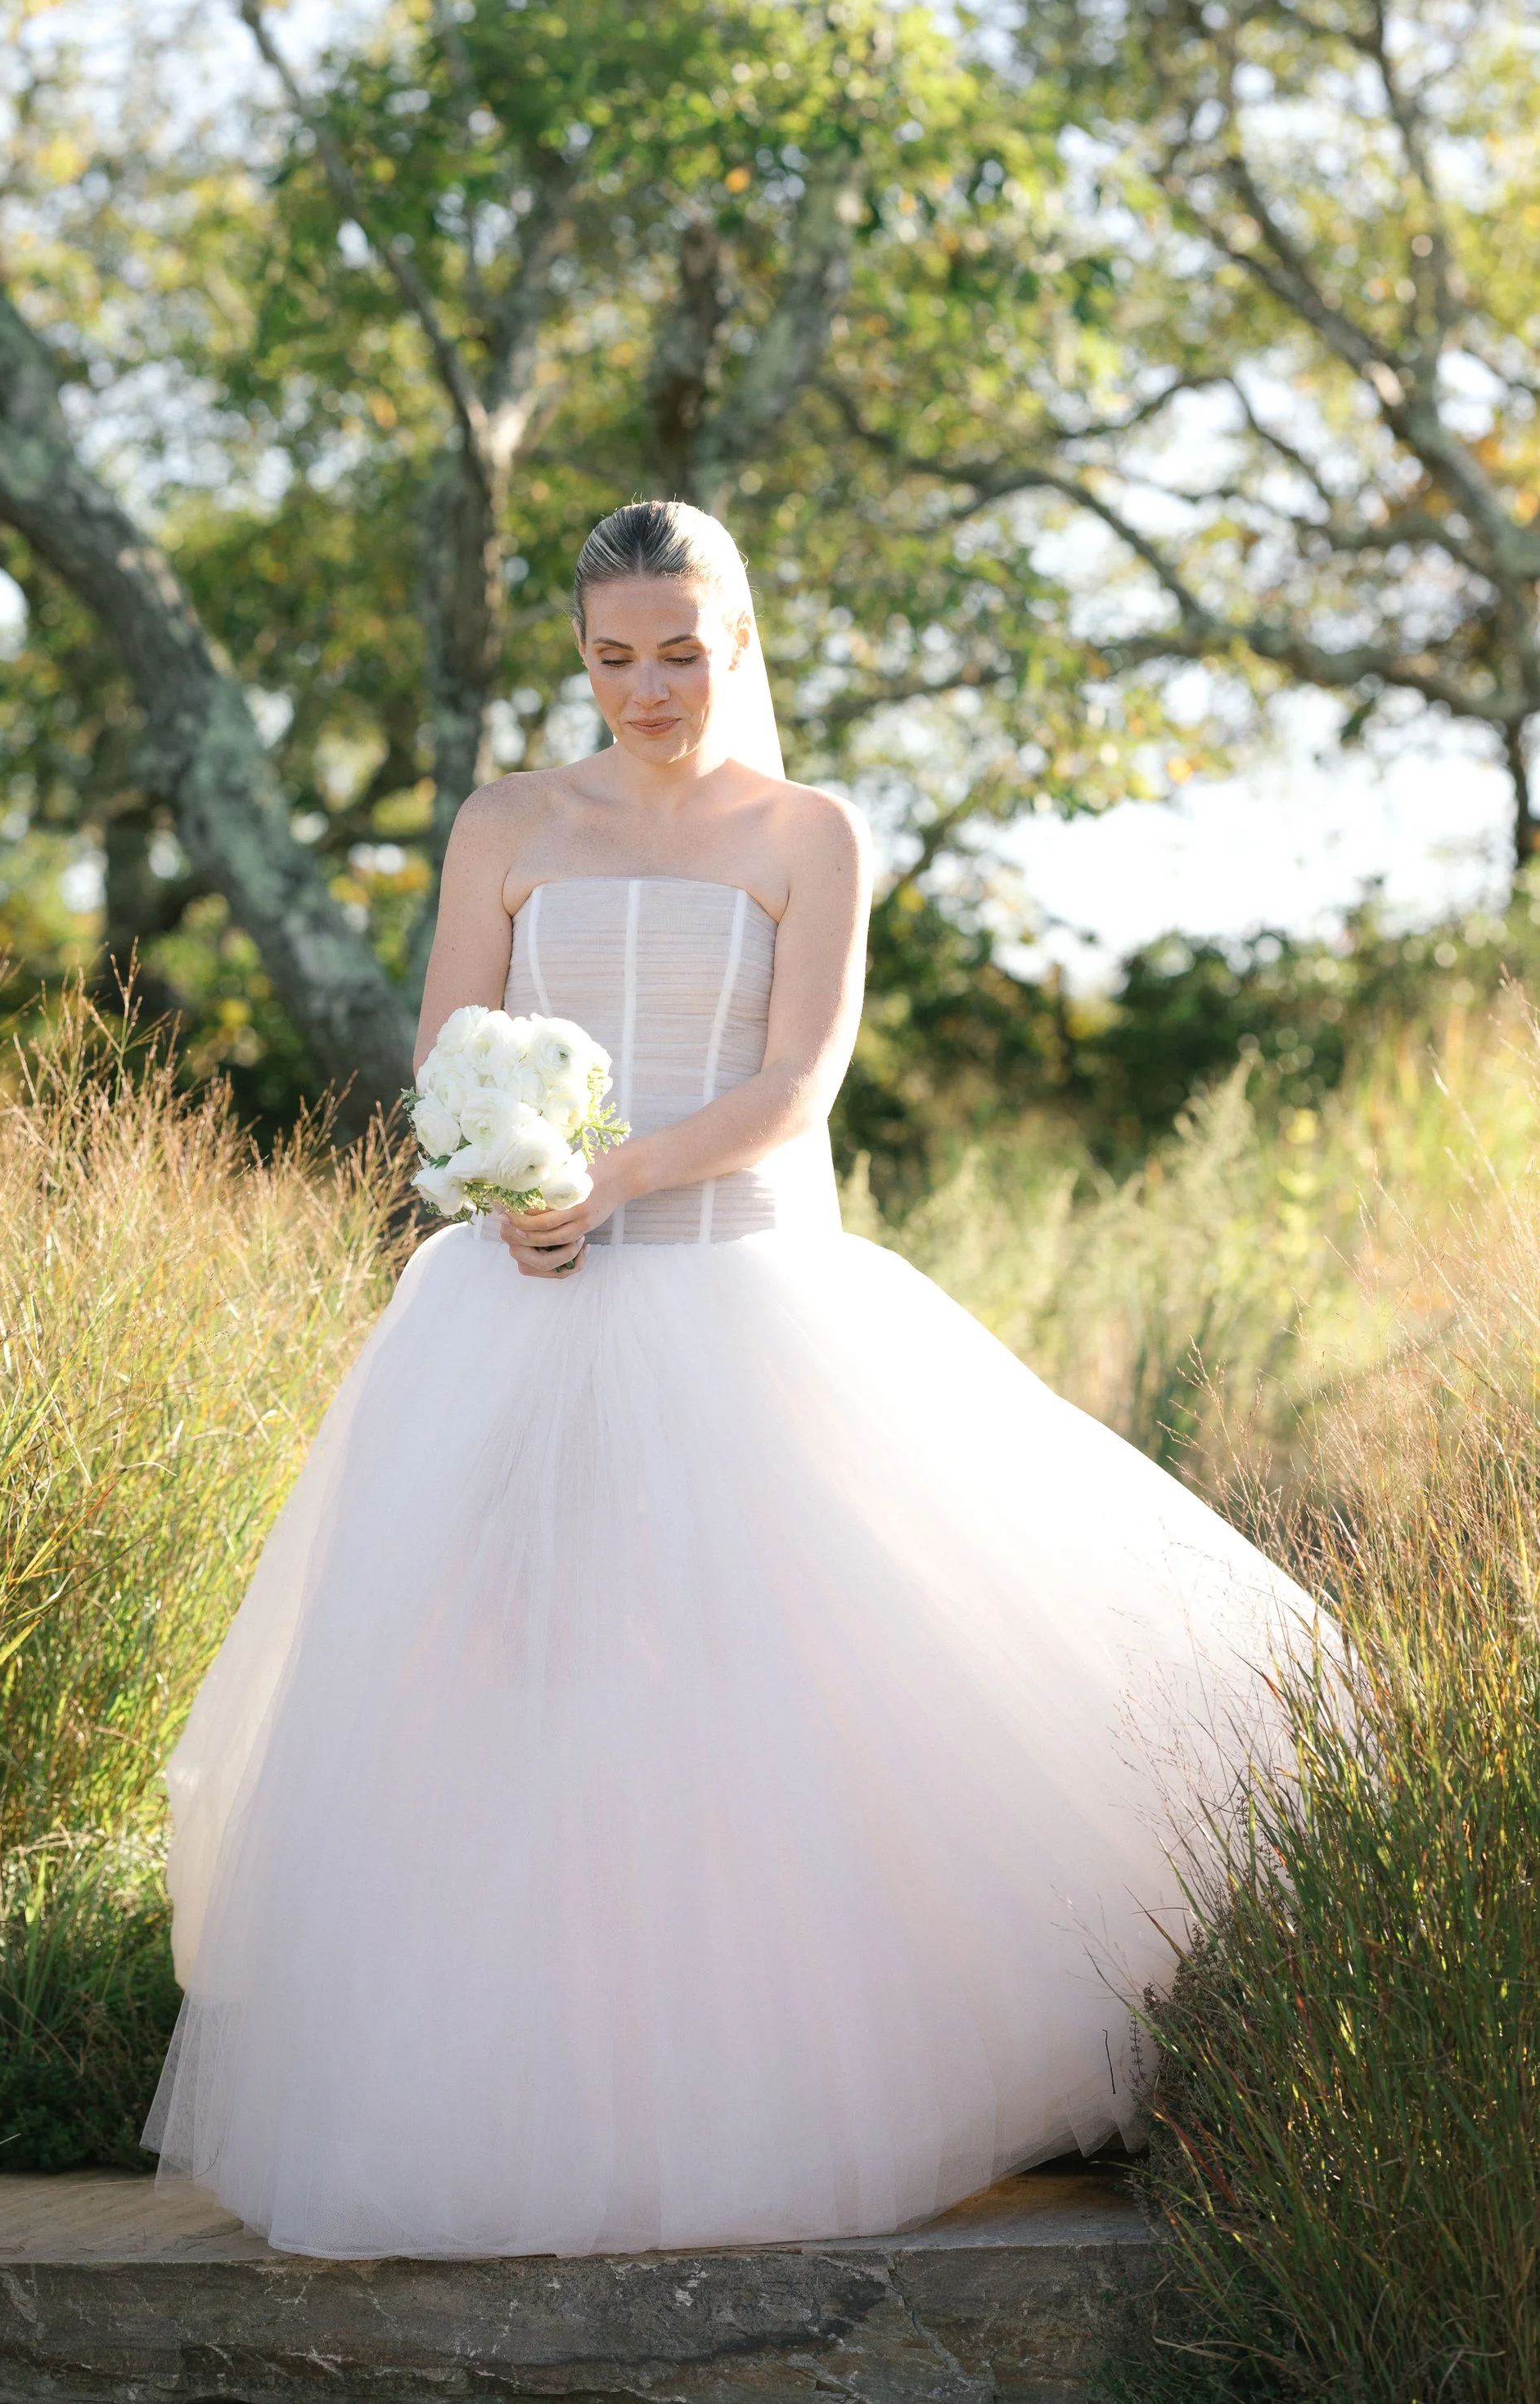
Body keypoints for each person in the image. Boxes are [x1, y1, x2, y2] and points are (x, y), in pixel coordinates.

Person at [142, 497, 1316, 2259]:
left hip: (730, 1294)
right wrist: (501, 1184)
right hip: (510, 1314)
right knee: (497, 1685)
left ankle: (757, 2101)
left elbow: (794, 1085)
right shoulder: (505, 823)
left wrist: (606, 1178)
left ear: (737, 642)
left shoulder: (806, 833)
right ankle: (503, 2098)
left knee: (747, 1694)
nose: (645, 687)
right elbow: (448, 1046)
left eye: (679, 651)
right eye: (613, 655)